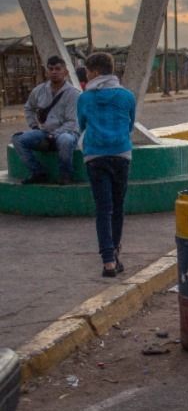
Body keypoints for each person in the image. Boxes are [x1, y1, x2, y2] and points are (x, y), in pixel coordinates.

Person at [77, 52, 136, 278]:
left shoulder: (84, 98)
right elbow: (130, 124)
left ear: (95, 71)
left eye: (88, 71)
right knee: (118, 207)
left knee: (103, 208)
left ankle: (108, 261)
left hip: (95, 156)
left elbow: (81, 125)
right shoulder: (127, 96)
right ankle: (116, 251)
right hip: (121, 153)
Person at [12, 55, 81, 185]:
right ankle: (38, 172)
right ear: (46, 72)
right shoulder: (39, 90)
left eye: (58, 69)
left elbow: (72, 122)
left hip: (67, 133)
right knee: (18, 138)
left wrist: (53, 135)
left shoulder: (73, 93)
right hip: (44, 132)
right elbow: (28, 108)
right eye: (51, 69)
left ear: (65, 72)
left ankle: (66, 175)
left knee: (65, 140)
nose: (54, 72)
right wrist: (34, 126)